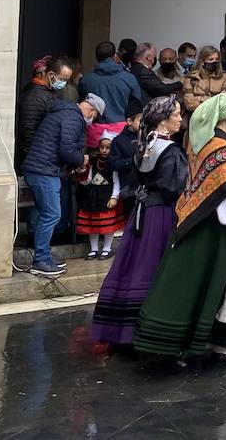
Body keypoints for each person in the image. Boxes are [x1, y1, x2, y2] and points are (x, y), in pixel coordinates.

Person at [134, 92, 226, 361]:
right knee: (217, 282)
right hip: (213, 229)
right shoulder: (222, 148)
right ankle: (216, 340)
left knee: (194, 282)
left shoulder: (202, 143)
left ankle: (194, 338)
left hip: (194, 220)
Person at [90, 96, 187, 347]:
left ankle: (122, 328)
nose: (180, 118)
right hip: (161, 213)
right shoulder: (171, 150)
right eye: (176, 114)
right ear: (164, 121)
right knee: (153, 267)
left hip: (142, 211)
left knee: (135, 265)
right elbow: (172, 187)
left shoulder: (146, 143)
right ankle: (150, 329)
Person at [22, 92, 103, 277]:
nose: (93, 120)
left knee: (45, 212)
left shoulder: (63, 112)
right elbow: (66, 150)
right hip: (44, 171)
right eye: (95, 116)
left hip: (40, 168)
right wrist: (81, 160)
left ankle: (44, 256)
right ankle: (41, 259)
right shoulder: (73, 118)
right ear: (91, 110)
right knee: (52, 213)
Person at [14, 54, 74, 173]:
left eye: (66, 80)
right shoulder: (34, 96)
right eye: (62, 79)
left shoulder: (52, 92)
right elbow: (28, 131)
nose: (64, 83)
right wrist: (38, 158)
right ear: (50, 74)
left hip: (49, 158)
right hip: (39, 161)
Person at [75, 133, 126, 259]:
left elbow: (116, 182)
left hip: (107, 196)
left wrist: (114, 197)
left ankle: (107, 248)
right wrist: (80, 175)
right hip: (92, 196)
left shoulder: (113, 163)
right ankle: (94, 249)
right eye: (102, 147)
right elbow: (88, 179)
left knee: (108, 225)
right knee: (93, 224)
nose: (104, 150)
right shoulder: (93, 162)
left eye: (107, 148)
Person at [82, 41, 143, 125]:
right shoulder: (130, 79)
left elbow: (82, 105)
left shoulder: (86, 80)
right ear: (115, 55)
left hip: (94, 130)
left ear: (96, 58)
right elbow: (136, 106)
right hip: (121, 129)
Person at [181, 46, 226, 149]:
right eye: (211, 59)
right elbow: (189, 103)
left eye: (216, 59)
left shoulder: (224, 77)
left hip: (216, 125)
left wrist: (200, 99)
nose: (214, 62)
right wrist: (213, 99)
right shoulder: (191, 78)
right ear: (202, 61)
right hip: (196, 125)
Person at [108, 98, 143, 222]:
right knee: (132, 222)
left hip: (146, 188)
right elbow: (113, 164)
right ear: (129, 121)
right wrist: (132, 160)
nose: (143, 123)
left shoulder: (147, 137)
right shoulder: (119, 141)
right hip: (130, 189)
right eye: (140, 120)